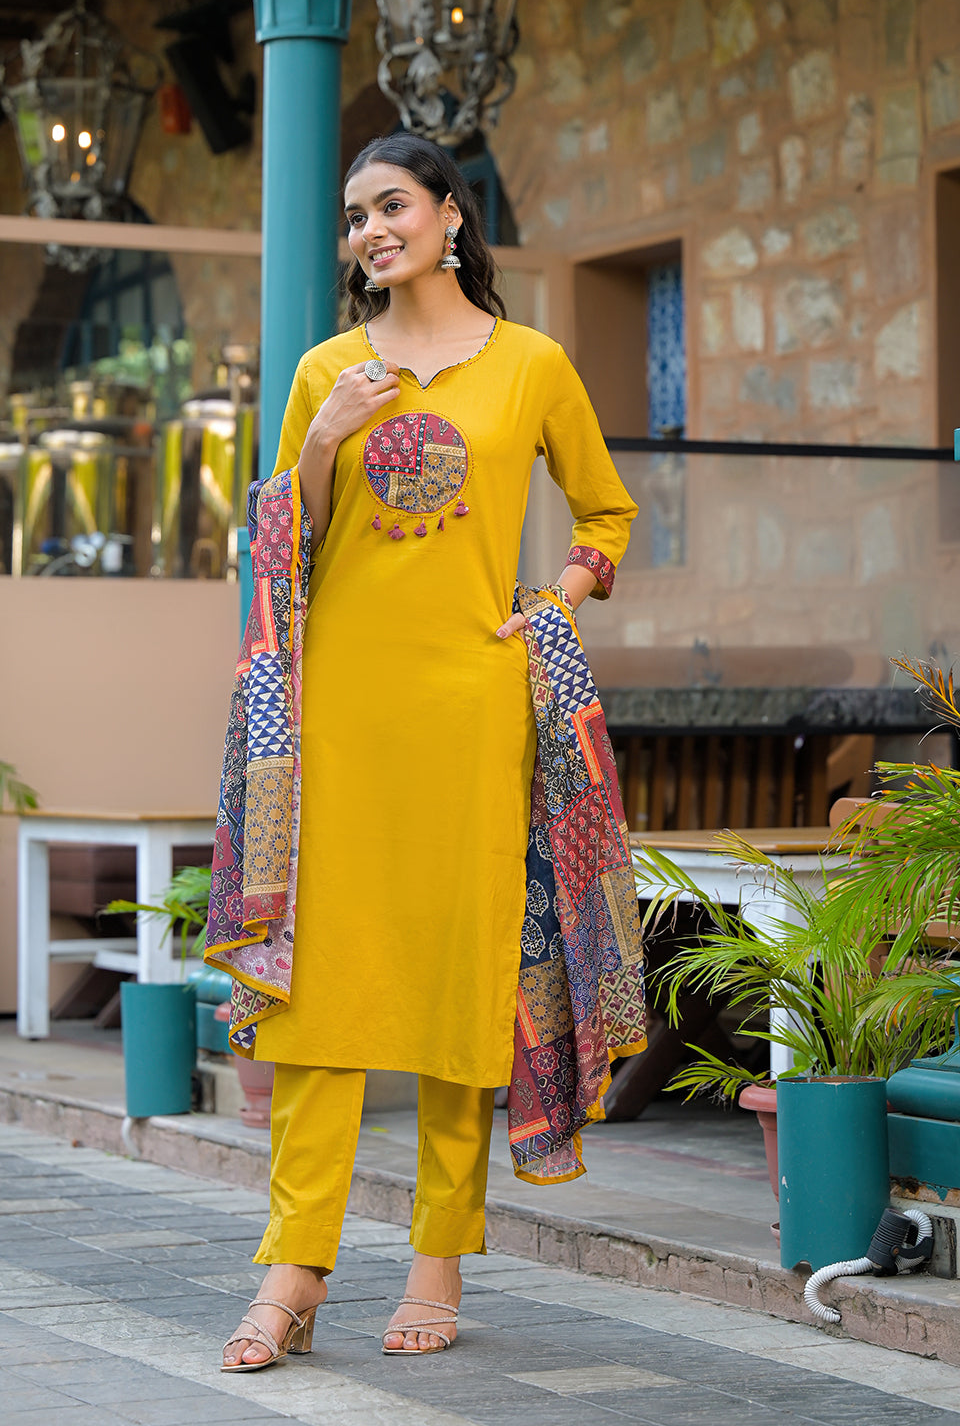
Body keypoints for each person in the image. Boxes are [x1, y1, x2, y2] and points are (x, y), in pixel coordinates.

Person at [205, 134, 645, 1372]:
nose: (370, 231)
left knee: (462, 981)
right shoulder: (326, 370)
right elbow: (286, 553)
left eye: (391, 206)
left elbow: (606, 512)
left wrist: (554, 601)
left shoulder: (531, 364)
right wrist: (325, 440)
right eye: (355, 217)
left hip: (471, 709)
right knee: (320, 989)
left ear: (451, 216)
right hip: (340, 712)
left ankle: (439, 1256)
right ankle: (293, 1269)